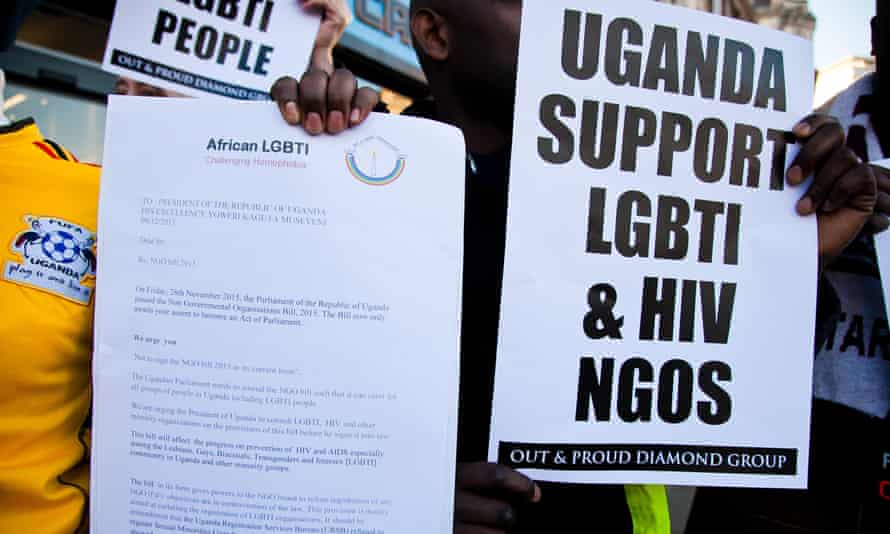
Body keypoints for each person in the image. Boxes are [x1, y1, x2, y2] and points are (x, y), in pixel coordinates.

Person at [269, 1, 879, 532]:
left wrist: (793, 246)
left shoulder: (637, 189)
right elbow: (290, 400)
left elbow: (729, 369)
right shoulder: (363, 175)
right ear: (435, 34)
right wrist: (386, 504)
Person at [0, 1, 352, 532]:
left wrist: (312, 86)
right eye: (124, 93)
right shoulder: (98, 196)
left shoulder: (101, 206)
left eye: (155, 95)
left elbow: (283, 282)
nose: (131, 112)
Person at [687, 2, 890, 532]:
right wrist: (810, 231)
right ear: (876, 34)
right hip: (797, 434)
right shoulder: (796, 143)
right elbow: (713, 293)